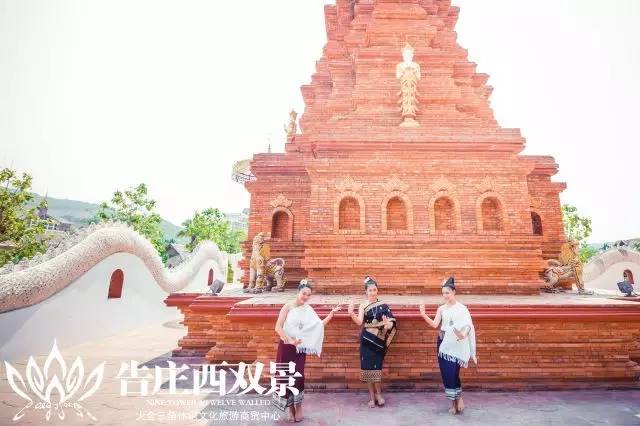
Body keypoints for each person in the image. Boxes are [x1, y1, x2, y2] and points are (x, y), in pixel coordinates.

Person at [273, 279, 341, 422]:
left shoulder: (308, 309)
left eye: (308, 295)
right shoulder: (287, 307)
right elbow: (278, 327)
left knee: (298, 377)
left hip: (299, 350)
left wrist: (331, 314)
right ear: (298, 292)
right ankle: (290, 410)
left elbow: (318, 325)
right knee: (285, 377)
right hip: (286, 347)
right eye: (304, 293)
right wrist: (290, 340)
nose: (305, 297)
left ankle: (299, 407)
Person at [419, 277, 477, 415]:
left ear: (454, 292)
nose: (445, 296)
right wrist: (423, 314)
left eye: (447, 293)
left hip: (457, 344)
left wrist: (462, 335)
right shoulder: (441, 309)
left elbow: (468, 326)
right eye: (443, 293)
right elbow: (435, 324)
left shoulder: (462, 308)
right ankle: (453, 403)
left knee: (454, 373)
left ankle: (459, 399)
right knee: (447, 374)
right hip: (443, 345)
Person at [348, 276, 397, 408]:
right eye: (370, 290)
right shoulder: (363, 306)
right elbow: (359, 322)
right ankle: (371, 397)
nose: (373, 292)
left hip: (378, 340)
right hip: (367, 340)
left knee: (376, 368)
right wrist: (351, 313)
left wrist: (387, 325)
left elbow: (391, 323)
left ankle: (379, 395)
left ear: (377, 290)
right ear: (366, 292)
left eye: (374, 290)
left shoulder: (384, 306)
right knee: (367, 369)